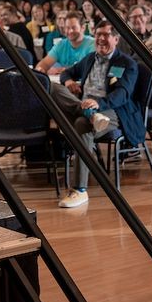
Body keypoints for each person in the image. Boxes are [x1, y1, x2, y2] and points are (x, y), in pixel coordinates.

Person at [53, 22, 142, 209]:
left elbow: (123, 95)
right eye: (98, 34)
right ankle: (88, 113)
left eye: (106, 35)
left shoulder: (127, 63)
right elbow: (67, 72)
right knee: (52, 87)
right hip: (86, 106)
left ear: (116, 39)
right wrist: (68, 81)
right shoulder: (90, 58)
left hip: (114, 111)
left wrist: (98, 104)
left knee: (81, 124)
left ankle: (80, 190)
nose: (101, 38)